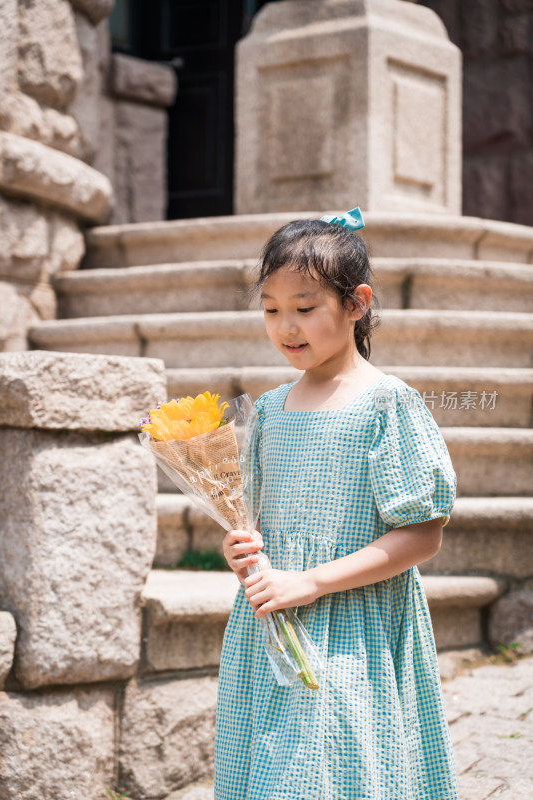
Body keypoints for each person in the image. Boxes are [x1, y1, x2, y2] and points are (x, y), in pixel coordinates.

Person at [214, 209, 459, 800]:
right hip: (275, 625)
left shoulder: (385, 403)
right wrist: (241, 547)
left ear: (357, 304)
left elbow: (423, 533)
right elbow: (262, 517)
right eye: (271, 309)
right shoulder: (270, 410)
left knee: (338, 765)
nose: (285, 326)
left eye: (304, 307)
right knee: (274, 766)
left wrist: (315, 581)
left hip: (355, 624)